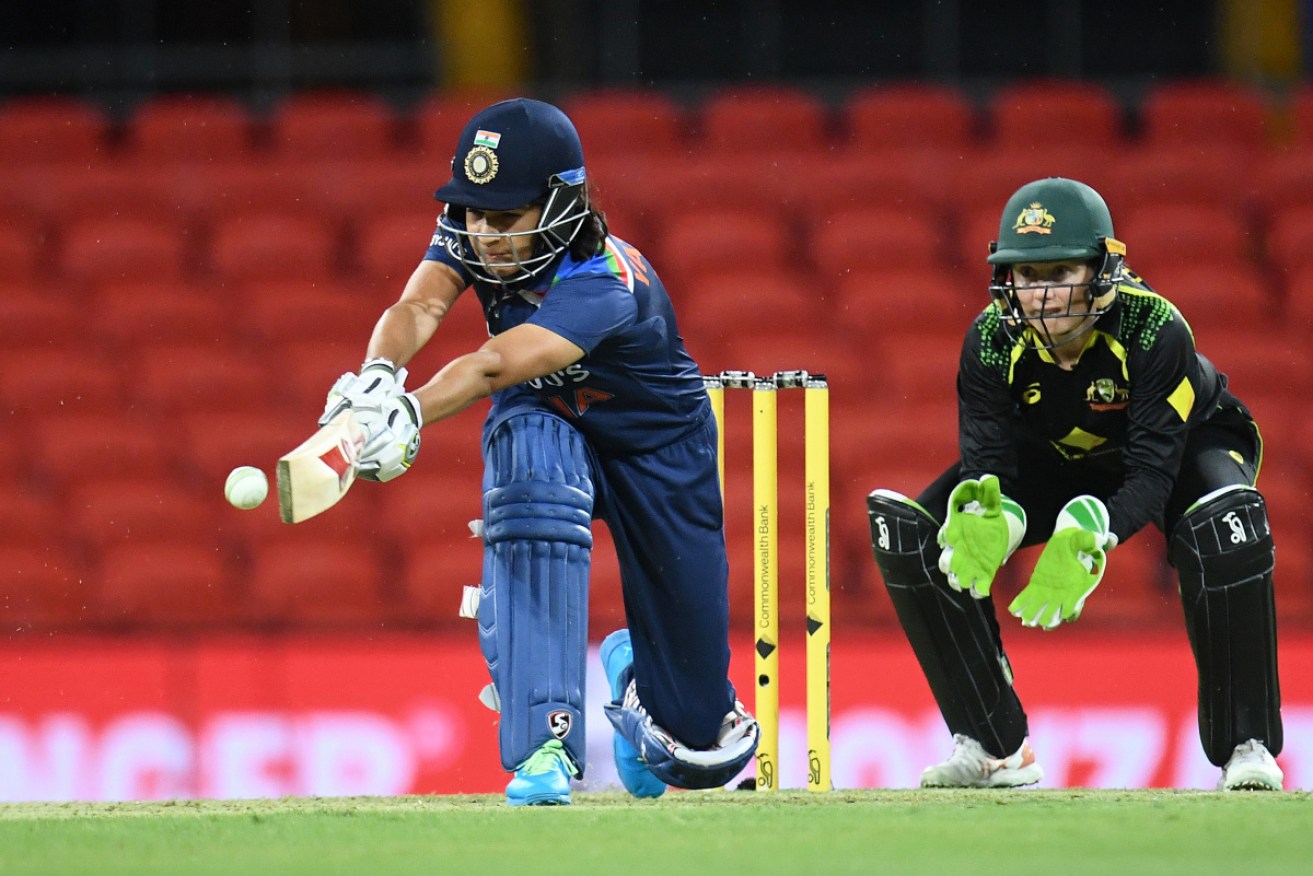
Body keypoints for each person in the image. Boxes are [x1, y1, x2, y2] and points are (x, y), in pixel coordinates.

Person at [318, 97, 758, 805]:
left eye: (502, 217)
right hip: (546, 415)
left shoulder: (605, 284)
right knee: (535, 483)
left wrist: (407, 412)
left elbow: (492, 364)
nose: (482, 234)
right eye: (471, 212)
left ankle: (633, 676)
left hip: (658, 452)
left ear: (560, 202)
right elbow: (419, 307)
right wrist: (376, 376)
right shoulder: (470, 235)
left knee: (695, 743)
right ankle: (544, 745)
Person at [866, 177, 1283, 792]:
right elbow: (991, 468)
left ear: (1102, 270)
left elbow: (1150, 474)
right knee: (918, 538)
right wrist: (991, 518)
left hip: (1185, 442)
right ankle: (993, 747)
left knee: (1224, 524)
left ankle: (1246, 745)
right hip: (1060, 452)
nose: (1045, 295)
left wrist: (1096, 528)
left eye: (1062, 271)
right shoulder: (988, 339)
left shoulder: (1154, 330)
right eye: (1029, 277)